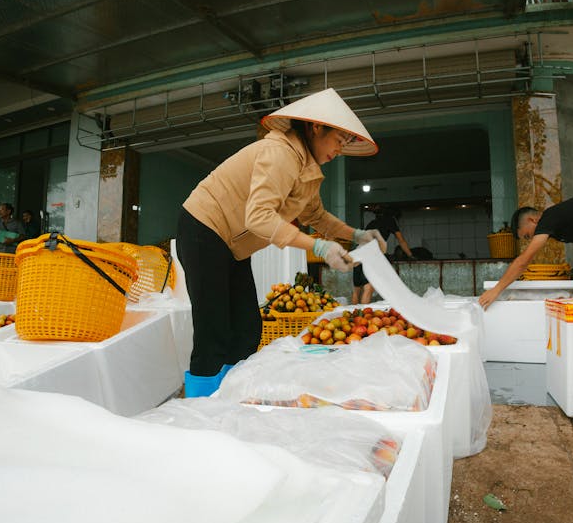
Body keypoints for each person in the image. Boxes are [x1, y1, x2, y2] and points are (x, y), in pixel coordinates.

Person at [177, 88, 385, 397]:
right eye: (337, 141)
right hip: (204, 229)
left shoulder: (307, 169)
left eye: (344, 145)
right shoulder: (280, 153)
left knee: (247, 329)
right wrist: (318, 247)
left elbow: (316, 215)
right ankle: (201, 406)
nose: (339, 150)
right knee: (214, 331)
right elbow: (258, 217)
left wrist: (355, 235)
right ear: (316, 127)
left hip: (232, 246)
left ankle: (232, 397)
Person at [351, 205, 414, 304]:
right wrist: (410, 255)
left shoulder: (372, 223)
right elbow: (401, 240)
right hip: (370, 254)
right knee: (368, 288)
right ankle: (361, 317)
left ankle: (353, 316)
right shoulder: (390, 221)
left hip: (358, 253)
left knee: (357, 289)